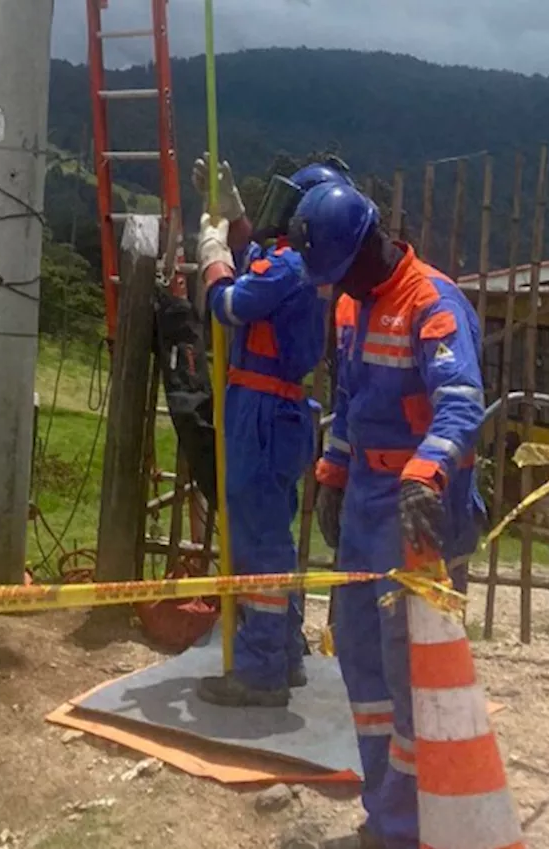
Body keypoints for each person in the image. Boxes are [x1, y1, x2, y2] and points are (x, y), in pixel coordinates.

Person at [295, 183, 486, 849]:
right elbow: (346, 401)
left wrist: (427, 472)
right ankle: (387, 815)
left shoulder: (434, 304)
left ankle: (414, 827)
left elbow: (461, 402)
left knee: (412, 673)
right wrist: (332, 473)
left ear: (367, 247)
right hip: (369, 501)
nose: (335, 286)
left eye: (338, 271)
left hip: (422, 509)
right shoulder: (352, 305)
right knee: (362, 657)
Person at [191, 157, 353, 707]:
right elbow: (253, 259)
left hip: (260, 410)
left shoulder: (291, 267)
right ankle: (283, 650)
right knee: (273, 538)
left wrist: (211, 257)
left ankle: (260, 670)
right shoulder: (301, 265)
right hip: (279, 409)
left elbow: (232, 303)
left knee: (258, 543)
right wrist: (234, 220)